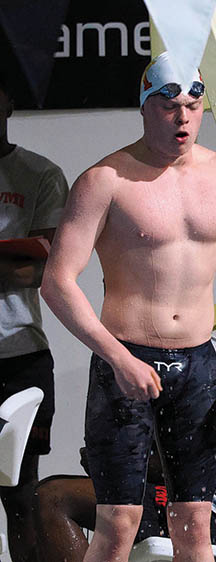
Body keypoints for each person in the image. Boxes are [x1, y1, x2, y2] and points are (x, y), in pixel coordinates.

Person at [40, 51, 216, 561]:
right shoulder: (106, 180)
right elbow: (57, 282)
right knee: (117, 524)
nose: (183, 116)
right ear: (145, 107)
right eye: (169, 105)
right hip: (124, 362)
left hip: (198, 367)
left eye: (194, 104)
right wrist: (118, 358)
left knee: (194, 523)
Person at [33, 338, 216, 561]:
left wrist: (109, 463)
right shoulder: (183, 350)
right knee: (50, 493)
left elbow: (181, 463)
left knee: (53, 498)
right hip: (211, 504)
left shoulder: (184, 358)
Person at [0, 74, 70, 562]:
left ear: (6, 102)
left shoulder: (40, 175)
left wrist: (21, 265)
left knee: (20, 498)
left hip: (20, 360)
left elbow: (37, 271)